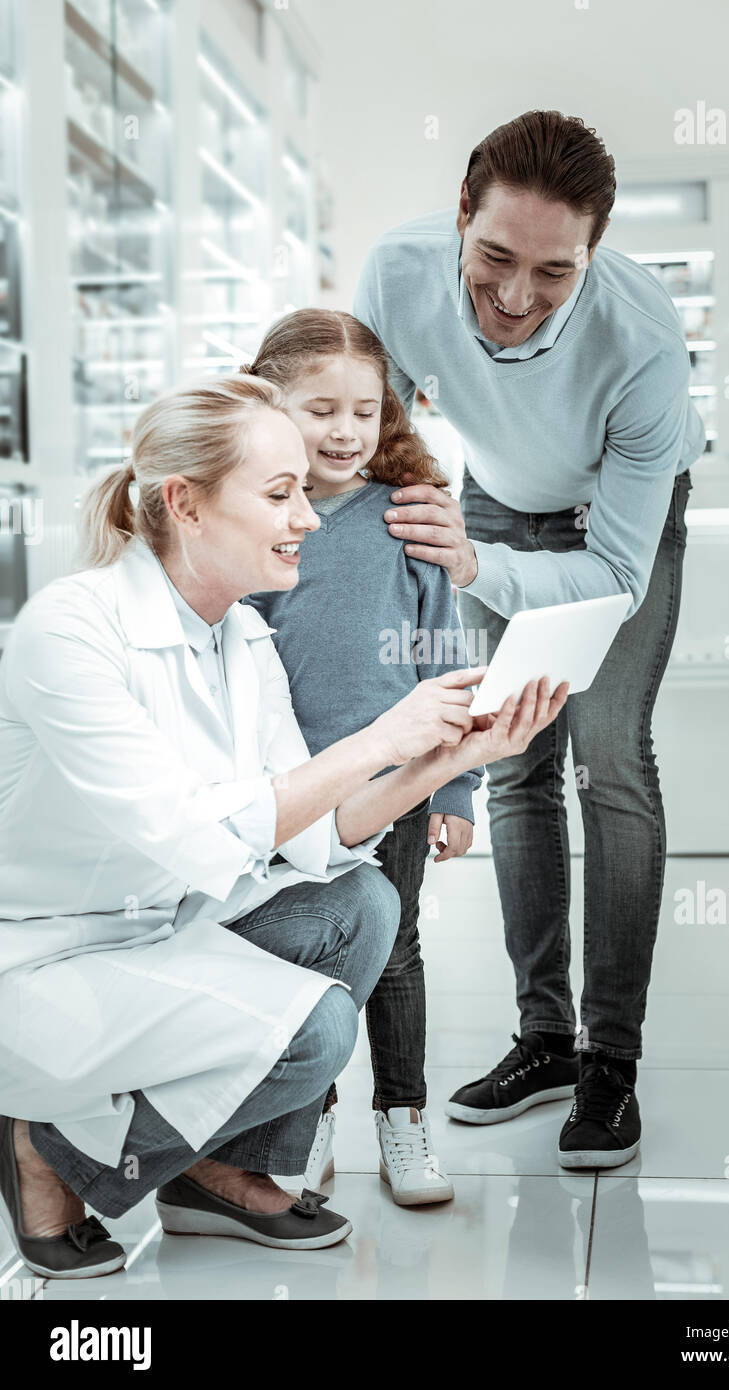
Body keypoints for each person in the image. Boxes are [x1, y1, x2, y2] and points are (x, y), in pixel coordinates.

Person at [0, 373, 568, 1278]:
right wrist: (382, 735)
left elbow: (309, 834)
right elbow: (189, 833)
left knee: (364, 903)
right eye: (280, 493)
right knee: (318, 1034)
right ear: (184, 504)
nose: (309, 516)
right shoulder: (71, 632)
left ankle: (211, 1173)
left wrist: (457, 757)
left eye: (304, 489)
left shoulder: (240, 638)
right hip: (49, 955)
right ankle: (48, 1152)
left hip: (166, 925)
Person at [352, 109, 705, 1168]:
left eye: (552, 272)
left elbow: (612, 574)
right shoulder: (398, 271)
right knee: (511, 766)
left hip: (613, 520)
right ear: (458, 215)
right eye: (493, 258)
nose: (512, 297)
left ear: (591, 257)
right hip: (495, 502)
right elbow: (365, 429)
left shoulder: (640, 344)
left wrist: (469, 566)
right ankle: (544, 1038)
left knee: (609, 762)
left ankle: (610, 1062)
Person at [240, 308, 484, 1207]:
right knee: (301, 950)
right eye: (321, 409)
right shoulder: (258, 521)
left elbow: (443, 658)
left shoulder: (406, 520)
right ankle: (310, 1121)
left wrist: (457, 782)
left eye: (366, 411)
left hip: (400, 784)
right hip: (290, 791)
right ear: (270, 407)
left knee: (396, 948)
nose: (346, 432)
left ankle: (403, 1119)